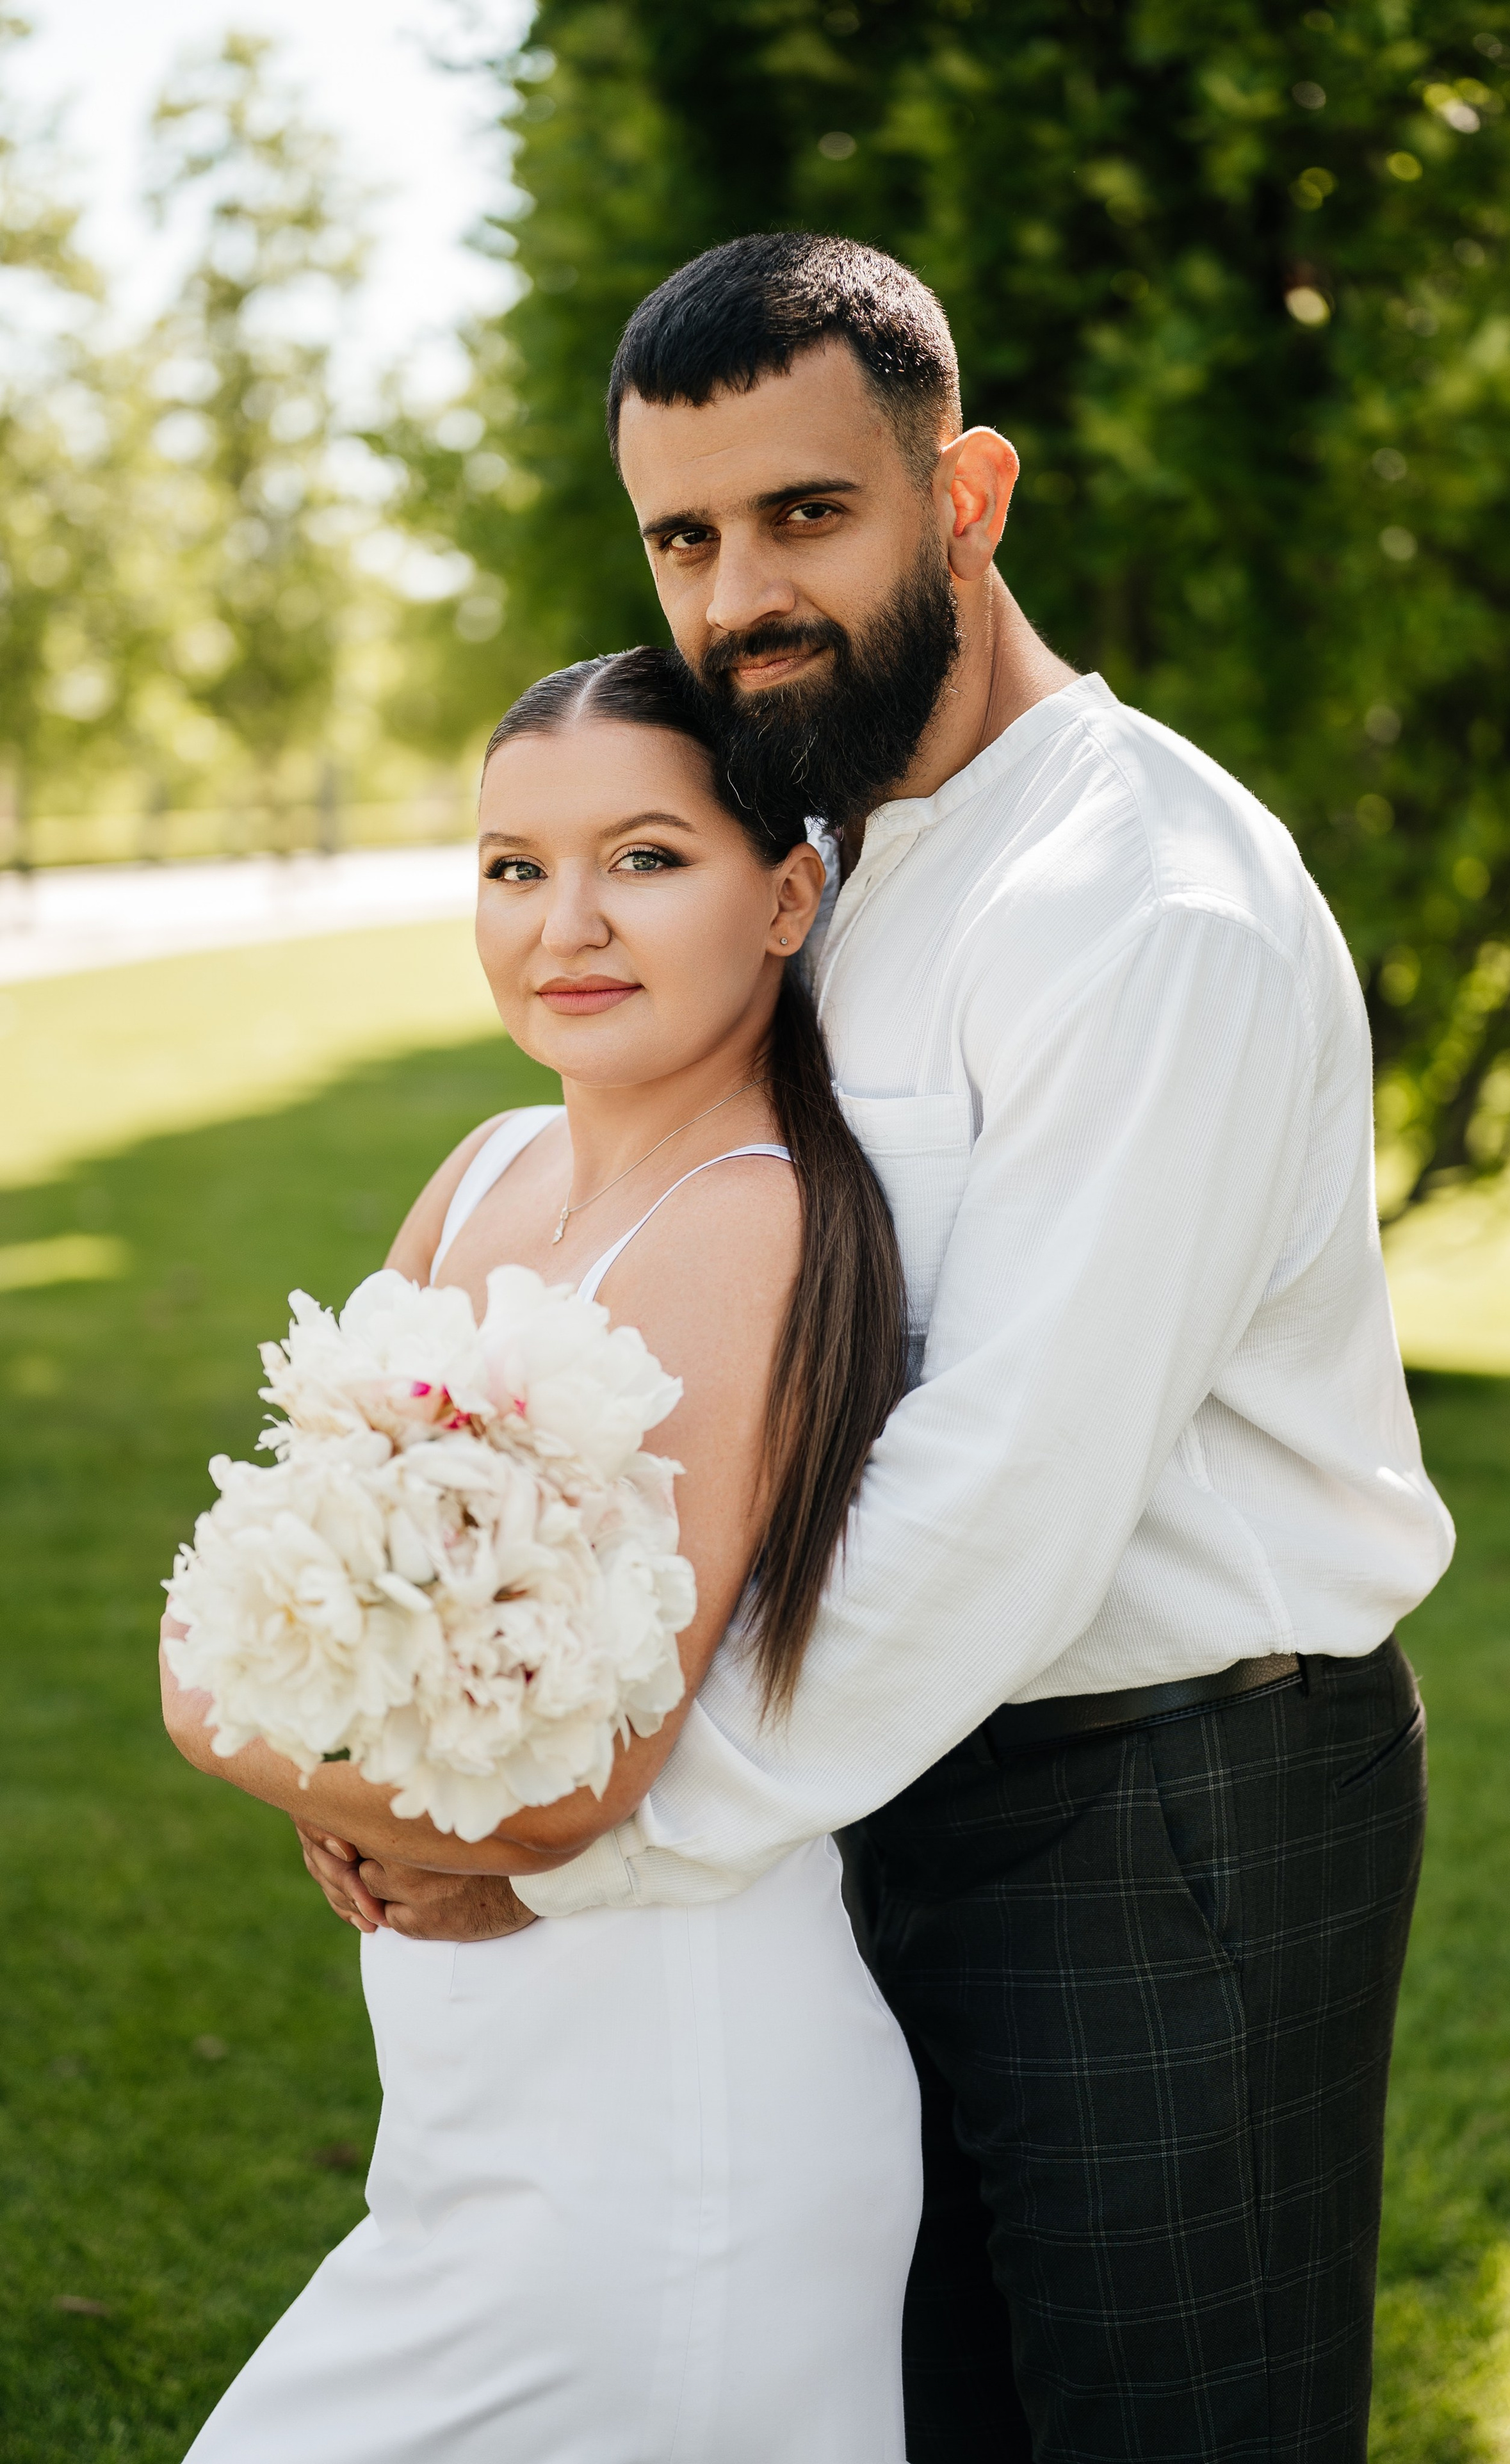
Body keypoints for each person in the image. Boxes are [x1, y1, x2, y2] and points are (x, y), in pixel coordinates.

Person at [310, 234, 1457, 2461]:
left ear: (968, 497)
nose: (743, 594)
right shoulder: (819, 852)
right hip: (873, 1789)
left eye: (808, 513)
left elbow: (1003, 1496)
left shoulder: (1151, 911)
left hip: (1166, 1807)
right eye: (686, 537)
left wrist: (556, 1838)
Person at [160, 647, 923, 2463]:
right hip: (471, 2092)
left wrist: (265, 1747)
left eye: (644, 859)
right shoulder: (488, 1166)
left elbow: (578, 1787)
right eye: (514, 866)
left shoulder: (751, 1226)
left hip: (666, 2122)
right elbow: (262, 1599)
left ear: (787, 896)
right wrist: (339, 1765)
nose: (563, 924)